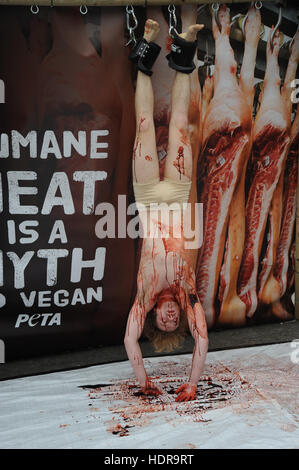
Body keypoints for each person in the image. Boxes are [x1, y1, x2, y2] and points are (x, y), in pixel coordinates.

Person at [124, 19, 208, 402]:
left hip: (146, 196)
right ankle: (185, 50)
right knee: (179, 127)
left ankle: (144, 48)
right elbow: (202, 342)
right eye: (177, 322)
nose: (172, 317)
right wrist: (192, 381)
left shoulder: (143, 298)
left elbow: (129, 341)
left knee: (145, 126)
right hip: (174, 194)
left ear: (154, 320)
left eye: (166, 321)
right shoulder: (188, 293)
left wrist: (144, 382)